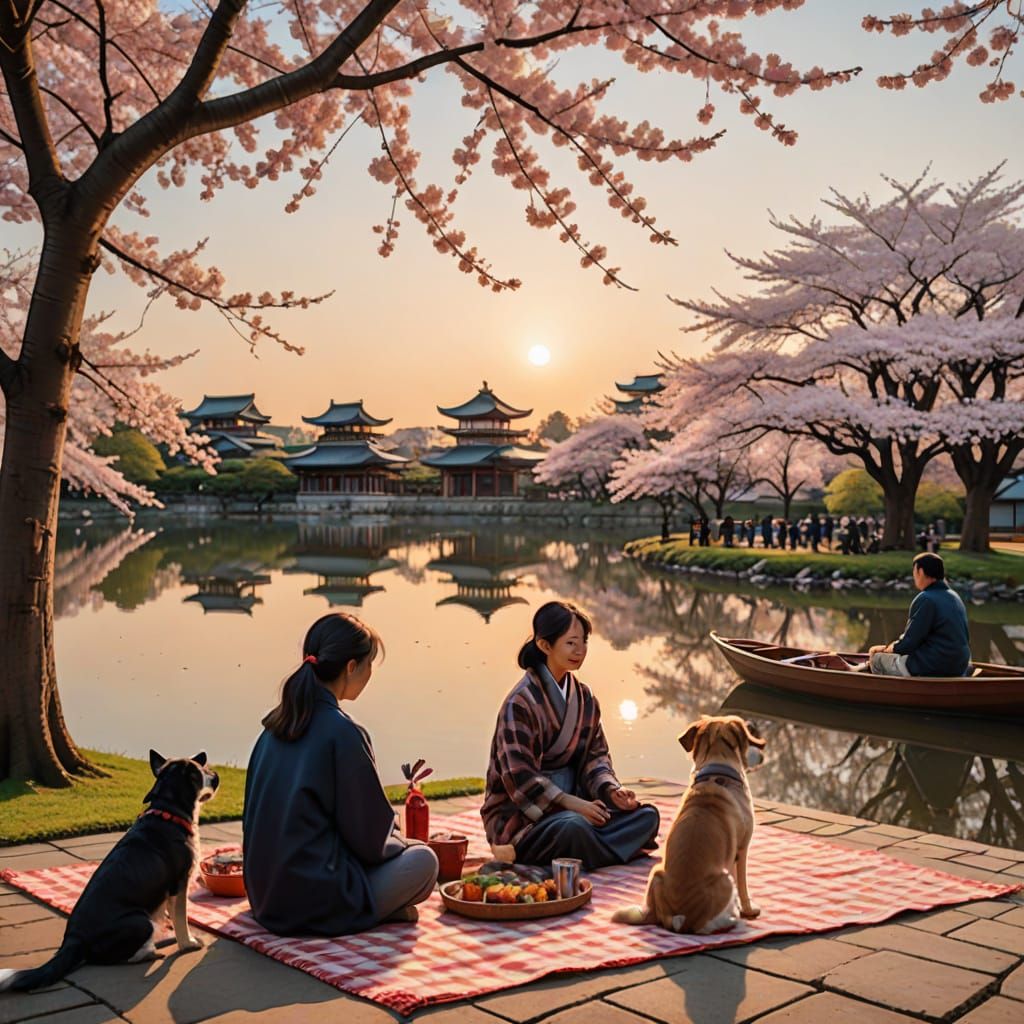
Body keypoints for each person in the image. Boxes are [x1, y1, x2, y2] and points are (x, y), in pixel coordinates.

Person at [243, 613, 438, 936]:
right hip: (314, 900)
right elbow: (370, 841)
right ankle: (376, 912)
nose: (370, 673)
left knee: (402, 848)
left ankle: (382, 908)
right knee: (423, 861)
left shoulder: (273, 727)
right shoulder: (343, 732)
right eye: (369, 663)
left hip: (265, 897)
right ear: (351, 667)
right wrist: (400, 839)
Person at [481, 601, 660, 870]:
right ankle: (610, 849)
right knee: (573, 829)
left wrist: (612, 791)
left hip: (578, 807)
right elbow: (520, 778)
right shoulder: (519, 703)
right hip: (525, 819)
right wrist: (570, 804)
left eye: (584, 642)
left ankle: (589, 851)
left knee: (647, 816)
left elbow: (596, 758)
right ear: (545, 646)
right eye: (571, 643)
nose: (580, 651)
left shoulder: (585, 698)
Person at [867, 553, 971, 677]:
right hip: (959, 665)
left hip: (932, 666)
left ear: (920, 571)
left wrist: (887, 649)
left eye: (914, 572)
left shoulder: (926, 598)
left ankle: (888, 693)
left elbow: (909, 643)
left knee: (877, 659)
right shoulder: (954, 596)